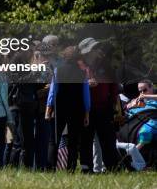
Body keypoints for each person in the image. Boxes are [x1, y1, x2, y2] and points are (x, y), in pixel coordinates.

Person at [45, 45, 91, 172]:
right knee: (73, 141)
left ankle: (50, 168)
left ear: (65, 56)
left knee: (53, 139)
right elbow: (86, 94)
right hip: (77, 109)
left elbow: (53, 91)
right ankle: (70, 169)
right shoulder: (82, 73)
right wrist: (87, 113)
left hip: (60, 108)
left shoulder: (58, 70)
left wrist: (48, 109)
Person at [78, 40, 120, 173]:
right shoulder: (79, 66)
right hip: (85, 109)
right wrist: (85, 84)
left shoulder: (106, 64)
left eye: (96, 47)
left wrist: (113, 103)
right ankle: (86, 168)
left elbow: (114, 85)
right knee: (86, 140)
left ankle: (113, 168)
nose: (97, 50)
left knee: (107, 140)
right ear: (86, 52)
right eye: (94, 48)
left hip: (104, 108)